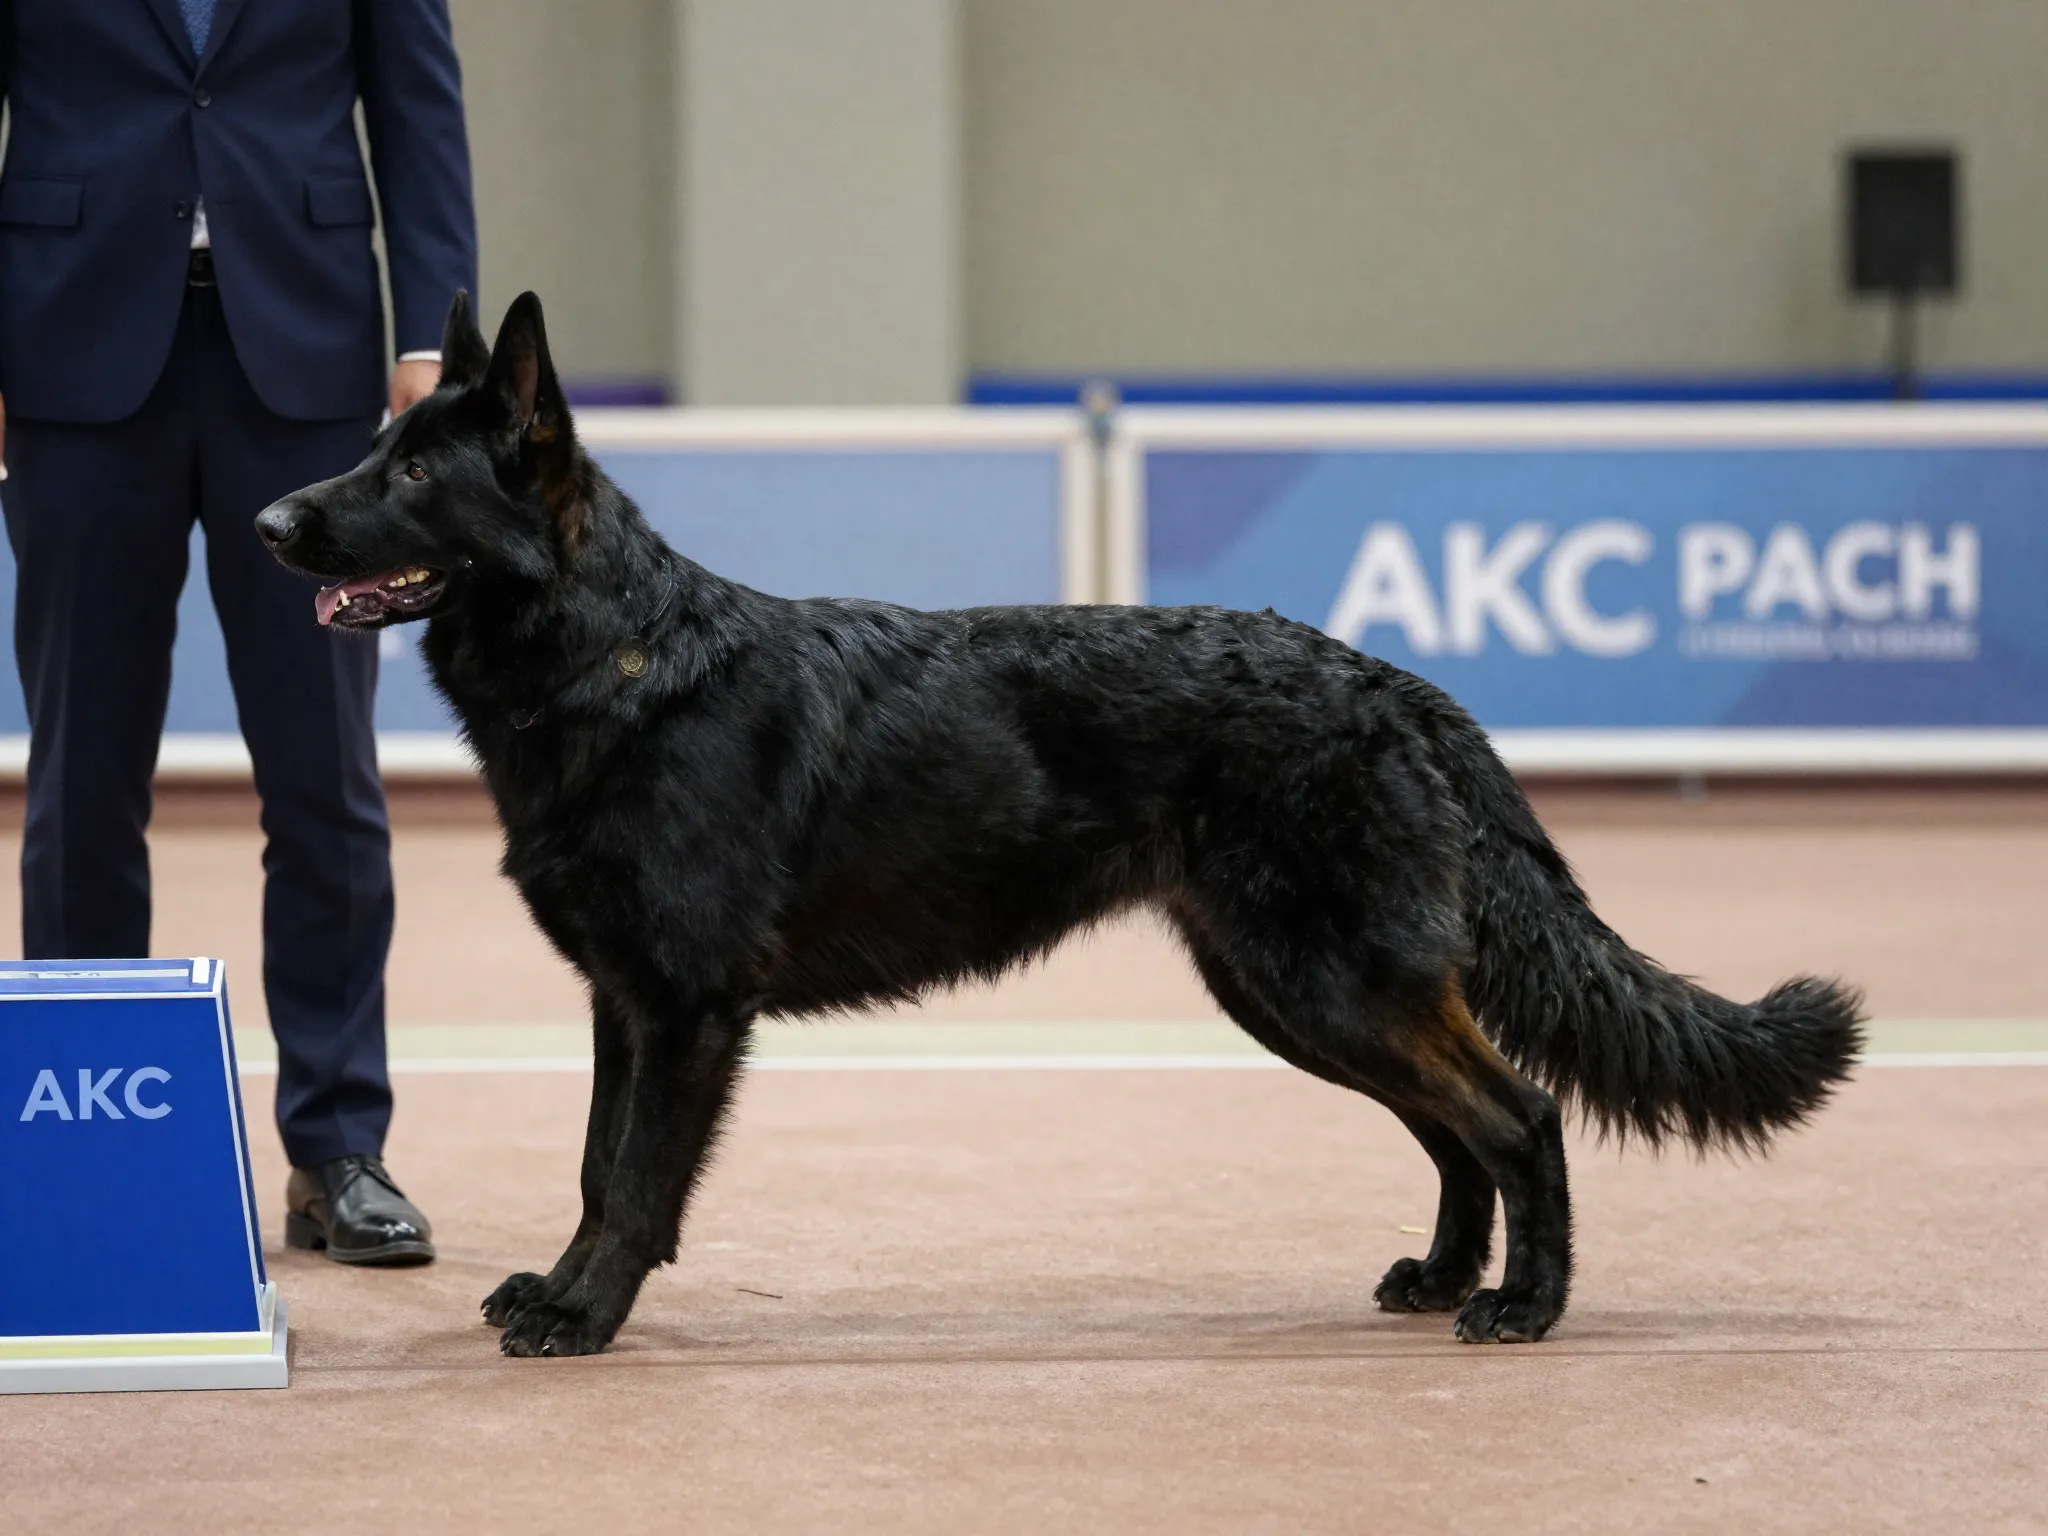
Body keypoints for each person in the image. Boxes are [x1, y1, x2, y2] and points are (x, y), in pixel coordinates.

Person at [0, 2, 476, 1264]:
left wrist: (433, 334)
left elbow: (418, 105)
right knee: (80, 775)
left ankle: (337, 1150)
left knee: (324, 774)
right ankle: (82, 1139)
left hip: (310, 370)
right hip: (70, 362)